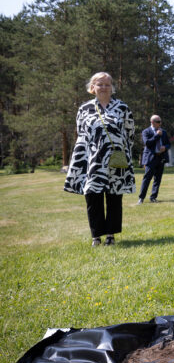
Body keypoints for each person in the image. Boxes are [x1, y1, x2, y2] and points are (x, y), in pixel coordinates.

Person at [64, 72, 135, 246]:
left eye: (107, 84)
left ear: (112, 87)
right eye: (99, 84)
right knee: (92, 196)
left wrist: (124, 153)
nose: (103, 87)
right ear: (92, 87)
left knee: (114, 197)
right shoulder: (84, 109)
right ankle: (96, 236)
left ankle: (110, 235)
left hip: (115, 160)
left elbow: (130, 132)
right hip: (92, 161)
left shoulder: (122, 107)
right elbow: (81, 134)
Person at [137, 115, 170, 204]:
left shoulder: (164, 132)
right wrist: (156, 135)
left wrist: (165, 147)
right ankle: (141, 198)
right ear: (152, 122)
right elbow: (147, 143)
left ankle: (153, 197)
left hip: (161, 158)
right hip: (150, 158)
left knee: (157, 179)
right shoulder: (146, 131)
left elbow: (168, 144)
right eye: (158, 122)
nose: (160, 123)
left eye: (160, 121)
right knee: (147, 178)